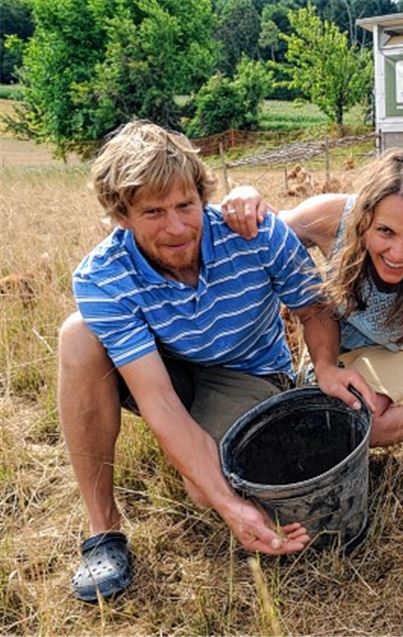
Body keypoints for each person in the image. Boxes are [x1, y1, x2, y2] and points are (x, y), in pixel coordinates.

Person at [60, 121, 376, 603]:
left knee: (204, 489)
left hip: (248, 370)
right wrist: (232, 508)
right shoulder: (102, 276)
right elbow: (159, 401)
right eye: (153, 212)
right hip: (163, 367)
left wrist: (327, 367)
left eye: (186, 206)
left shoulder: (253, 230)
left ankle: (216, 460)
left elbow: (313, 307)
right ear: (121, 215)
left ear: (202, 195)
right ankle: (104, 532)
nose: (176, 227)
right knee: (77, 335)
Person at [222, 149, 403, 557]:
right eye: (386, 233)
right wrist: (247, 194)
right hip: (336, 352)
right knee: (332, 423)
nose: (398, 253)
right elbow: (264, 227)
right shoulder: (330, 218)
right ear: (363, 219)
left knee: (368, 419)